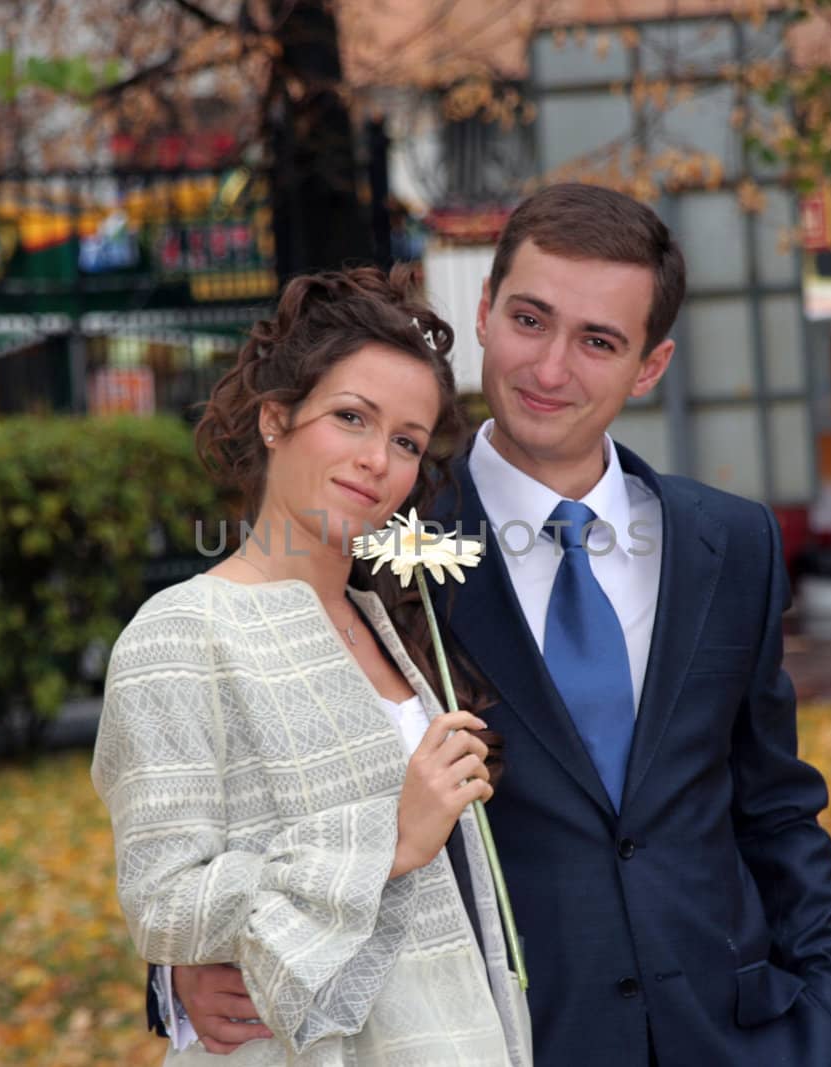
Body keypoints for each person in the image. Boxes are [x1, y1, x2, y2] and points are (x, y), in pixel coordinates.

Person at [171, 184, 831, 1066]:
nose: (551, 369)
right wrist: (185, 971)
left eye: (598, 342)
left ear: (649, 366)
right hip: (509, 1041)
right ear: (483, 312)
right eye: (531, 320)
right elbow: (252, 789)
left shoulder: (731, 544)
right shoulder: (373, 537)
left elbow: (775, 806)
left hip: (745, 1038)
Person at [92, 265, 532, 1065]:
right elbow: (162, 901)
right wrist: (386, 838)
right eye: (351, 418)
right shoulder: (181, 634)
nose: (377, 460)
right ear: (276, 419)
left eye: (405, 441)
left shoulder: (390, 622)